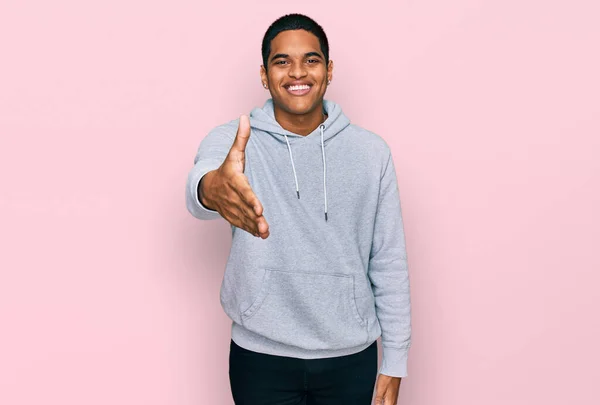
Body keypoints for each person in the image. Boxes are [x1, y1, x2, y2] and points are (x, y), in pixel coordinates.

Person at [185, 13, 412, 405]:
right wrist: (212, 189)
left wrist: (396, 359)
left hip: (349, 356)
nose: (297, 72)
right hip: (260, 355)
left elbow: (388, 261)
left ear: (329, 70)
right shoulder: (234, 141)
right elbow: (203, 184)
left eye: (311, 59)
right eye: (281, 61)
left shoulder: (371, 153)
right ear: (263, 74)